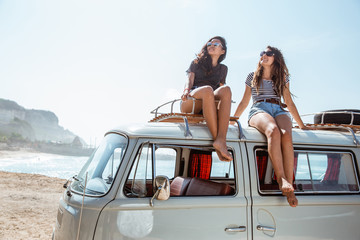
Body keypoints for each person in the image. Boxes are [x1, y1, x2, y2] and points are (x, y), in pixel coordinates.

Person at [234, 46, 308, 207]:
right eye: (262, 53)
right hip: (259, 109)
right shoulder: (252, 76)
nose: (264, 55)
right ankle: (281, 179)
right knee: (273, 131)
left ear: (276, 58)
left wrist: (302, 125)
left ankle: (290, 185)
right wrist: (233, 120)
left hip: (278, 109)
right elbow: (244, 101)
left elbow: (288, 102)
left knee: (286, 134)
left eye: (268, 53)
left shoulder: (282, 77)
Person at [181, 36, 232, 162]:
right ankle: (220, 144)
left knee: (226, 89)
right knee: (208, 89)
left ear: (223, 51)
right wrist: (186, 90)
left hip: (209, 102)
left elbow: (220, 90)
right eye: (209, 43)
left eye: (216, 44)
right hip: (191, 102)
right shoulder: (196, 62)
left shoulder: (223, 69)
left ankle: (220, 141)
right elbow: (189, 80)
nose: (211, 45)